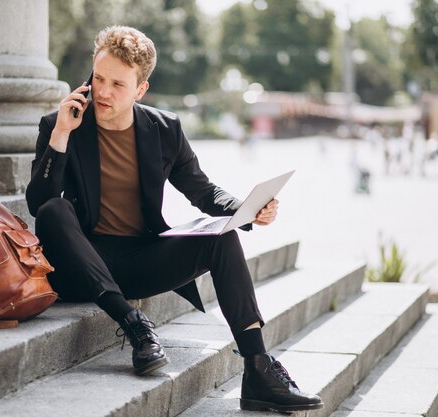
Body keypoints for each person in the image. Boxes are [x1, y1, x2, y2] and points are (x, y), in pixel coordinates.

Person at [25, 25, 323, 413]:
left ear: (140, 90)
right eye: (98, 78)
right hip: (82, 267)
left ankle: (258, 369)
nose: (103, 92)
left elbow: (203, 191)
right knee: (55, 209)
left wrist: (246, 209)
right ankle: (133, 323)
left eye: (117, 83)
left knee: (222, 237)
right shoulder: (61, 124)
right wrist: (62, 134)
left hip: (142, 260)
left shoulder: (163, 130)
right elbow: (39, 204)